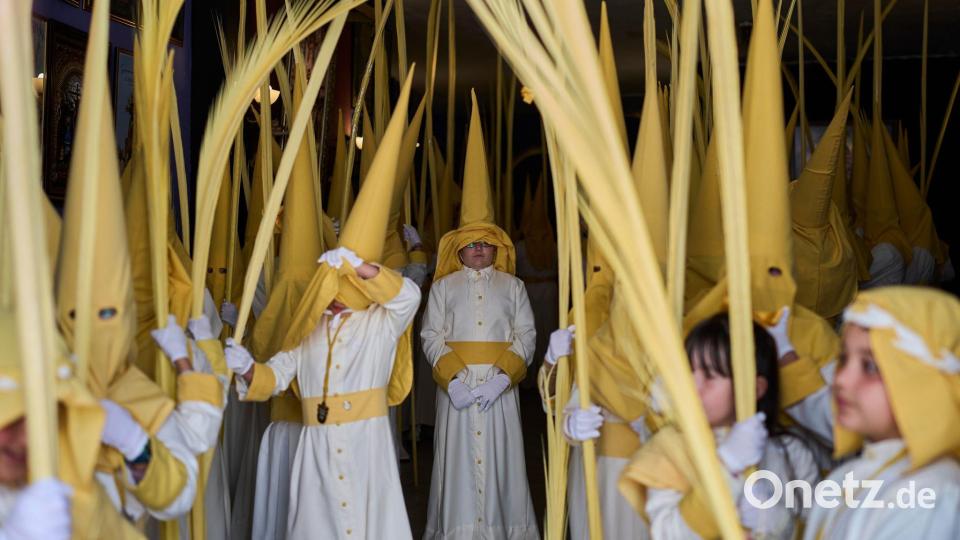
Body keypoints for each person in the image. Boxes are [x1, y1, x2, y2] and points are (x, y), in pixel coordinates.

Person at [224, 74, 420, 539]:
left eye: (342, 285)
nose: (335, 295)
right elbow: (277, 377)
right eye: (331, 284)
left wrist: (361, 268)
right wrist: (247, 369)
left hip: (365, 447)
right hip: (315, 451)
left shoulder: (378, 326)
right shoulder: (306, 331)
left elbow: (407, 297)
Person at [421, 91, 539, 540]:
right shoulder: (444, 287)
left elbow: (525, 335)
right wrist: (452, 380)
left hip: (497, 388)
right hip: (457, 389)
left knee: (502, 460)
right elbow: (431, 335)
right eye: (470, 245)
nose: (478, 250)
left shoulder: (514, 286)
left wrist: (501, 378)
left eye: (485, 243)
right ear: (457, 249)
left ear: (497, 246)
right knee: (456, 464)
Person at [620, 313, 819, 539]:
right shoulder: (669, 449)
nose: (694, 388)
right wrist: (727, 466)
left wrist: (777, 521)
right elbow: (667, 534)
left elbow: (816, 529)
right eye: (688, 373)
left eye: (710, 376)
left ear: (755, 389)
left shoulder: (791, 452)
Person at [804, 287, 960, 539]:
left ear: (926, 383)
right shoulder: (847, 477)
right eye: (843, 359)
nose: (841, 379)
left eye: (871, 366)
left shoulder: (932, 493)